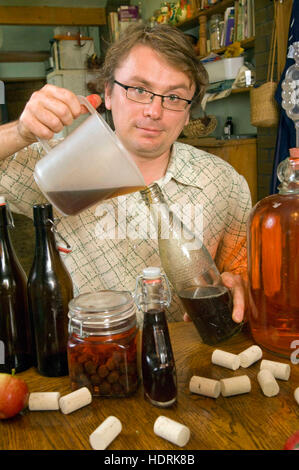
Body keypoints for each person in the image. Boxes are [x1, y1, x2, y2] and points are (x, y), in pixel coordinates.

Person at [0, 23, 251, 325]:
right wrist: (21, 131)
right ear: (107, 93)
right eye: (139, 90)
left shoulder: (224, 184)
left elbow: (241, 272)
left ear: (187, 114)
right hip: (93, 356)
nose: (154, 111)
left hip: (190, 357)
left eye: (173, 98)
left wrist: (242, 286)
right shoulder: (61, 163)